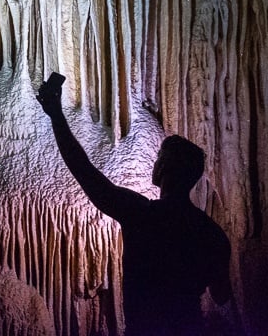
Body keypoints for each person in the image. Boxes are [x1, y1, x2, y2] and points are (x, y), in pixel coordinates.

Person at [37, 74, 232, 335]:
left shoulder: (142, 215)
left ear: (163, 168)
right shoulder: (212, 234)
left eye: (159, 157)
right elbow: (221, 295)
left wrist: (57, 116)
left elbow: (86, 173)